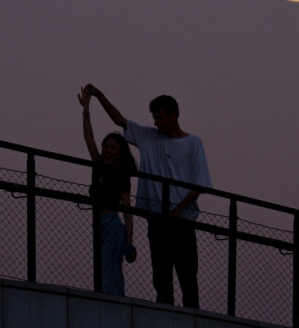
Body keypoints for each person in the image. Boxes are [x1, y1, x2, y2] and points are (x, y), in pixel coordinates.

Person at [84, 84, 211, 309]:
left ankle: (193, 319)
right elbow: (119, 120)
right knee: (161, 279)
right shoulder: (149, 136)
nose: (156, 123)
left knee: (187, 276)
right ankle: (165, 318)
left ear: (174, 116)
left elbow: (200, 184)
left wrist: (179, 208)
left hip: (182, 222)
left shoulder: (193, 143)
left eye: (160, 118)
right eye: (154, 118)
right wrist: (99, 96)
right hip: (157, 219)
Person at [78, 87, 138, 296]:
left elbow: (127, 210)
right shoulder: (99, 167)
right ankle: (109, 299)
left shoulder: (121, 175)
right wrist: (86, 109)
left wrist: (130, 241)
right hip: (98, 224)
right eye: (106, 146)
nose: (107, 150)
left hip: (112, 225)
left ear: (120, 153)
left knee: (109, 266)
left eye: (113, 147)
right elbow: (89, 138)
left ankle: (111, 301)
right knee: (103, 266)